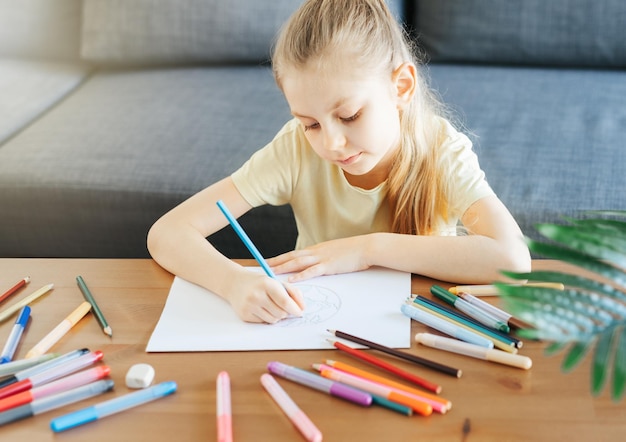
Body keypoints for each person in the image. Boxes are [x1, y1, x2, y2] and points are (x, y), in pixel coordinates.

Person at [147, 0, 531, 324]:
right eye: (310, 123)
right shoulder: (295, 150)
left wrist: (367, 249)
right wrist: (233, 284)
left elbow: (512, 260)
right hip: (318, 328)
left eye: (349, 116)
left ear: (401, 88)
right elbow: (167, 234)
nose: (331, 143)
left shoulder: (441, 148)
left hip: (422, 325)